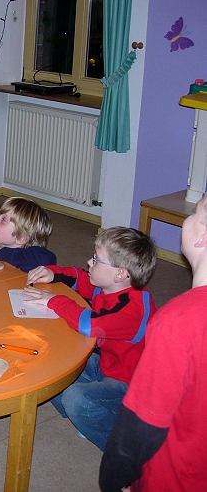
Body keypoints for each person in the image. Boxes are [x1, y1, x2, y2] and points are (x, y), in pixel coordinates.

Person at [99, 195, 207, 491]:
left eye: (195, 211)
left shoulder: (176, 322)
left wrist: (113, 480)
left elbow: (142, 425)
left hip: (172, 479)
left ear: (202, 237)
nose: (188, 217)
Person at [23, 227, 157, 451]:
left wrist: (54, 301)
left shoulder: (133, 309)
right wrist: (52, 273)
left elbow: (89, 324)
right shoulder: (108, 286)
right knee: (51, 363)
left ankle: (125, 449)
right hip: (107, 366)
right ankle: (88, 417)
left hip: (131, 389)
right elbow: (78, 277)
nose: (89, 262)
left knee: (76, 398)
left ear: (120, 274)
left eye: (96, 260)